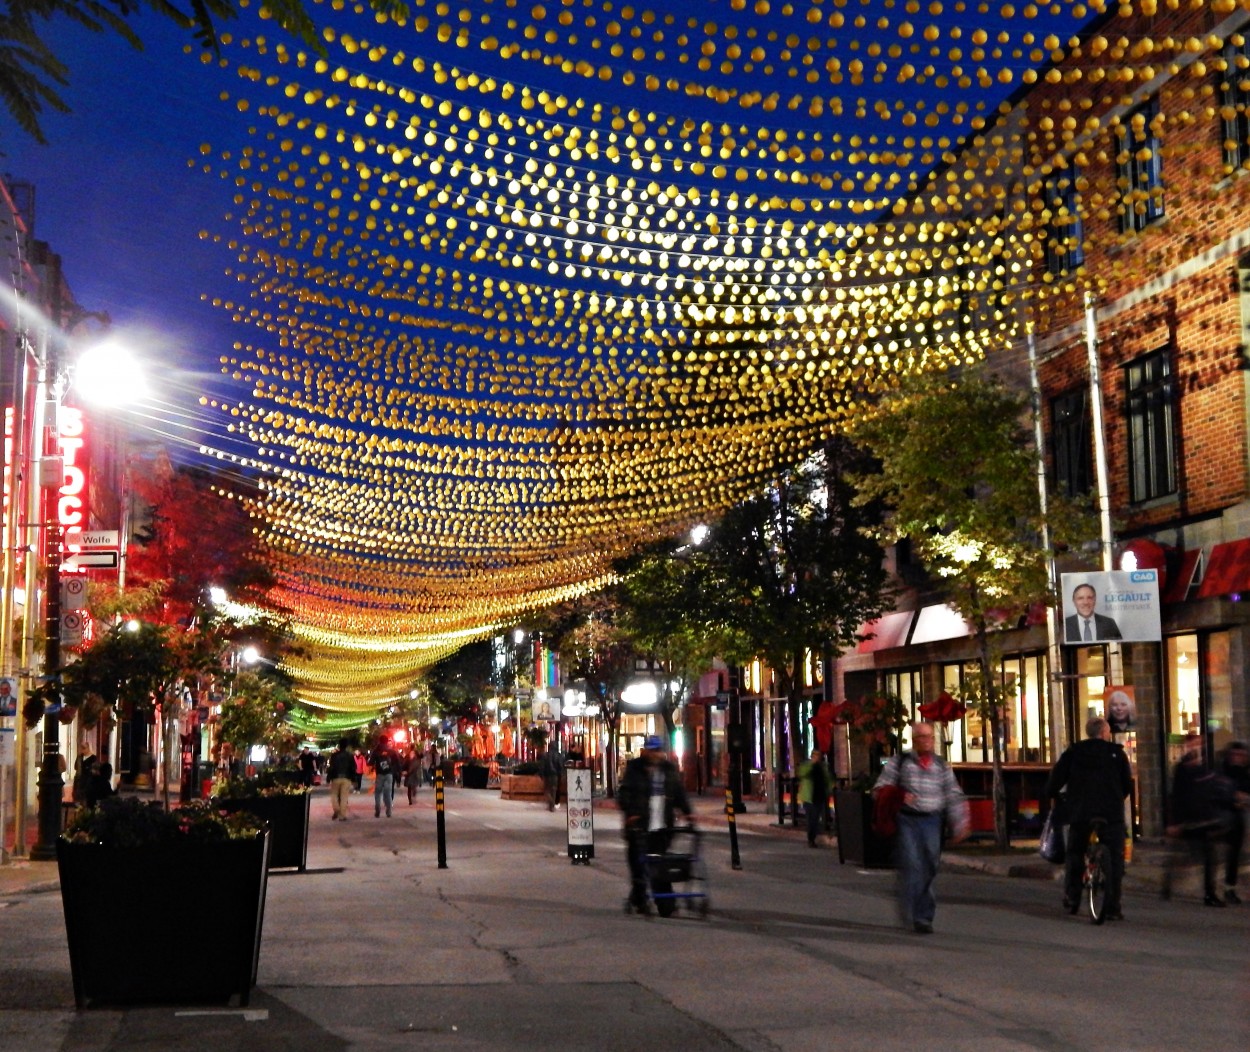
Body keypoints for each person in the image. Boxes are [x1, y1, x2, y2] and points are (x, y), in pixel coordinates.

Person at [873, 721, 969, 934]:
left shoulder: (941, 766)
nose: (926, 741)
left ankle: (919, 908)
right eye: (921, 737)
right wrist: (899, 796)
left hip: (932, 821)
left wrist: (960, 823)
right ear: (914, 741)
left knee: (929, 867)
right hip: (908, 820)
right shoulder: (901, 762)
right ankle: (919, 916)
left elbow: (953, 794)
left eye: (929, 737)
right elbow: (879, 789)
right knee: (913, 864)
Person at [1045, 716, 1133, 919]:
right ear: (1104, 733)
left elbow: (1055, 781)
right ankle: (1112, 906)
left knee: (1075, 853)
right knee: (1116, 859)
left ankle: (1072, 896)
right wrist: (1115, 799)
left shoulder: (1074, 752)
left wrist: (1056, 796)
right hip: (1111, 815)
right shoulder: (1117, 754)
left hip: (1081, 813)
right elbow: (1127, 785)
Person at [617, 734, 694, 915]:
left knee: (658, 865)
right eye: (652, 750)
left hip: (662, 826)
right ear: (645, 751)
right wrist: (630, 813)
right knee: (638, 866)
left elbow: (679, 793)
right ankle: (641, 899)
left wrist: (688, 813)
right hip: (639, 826)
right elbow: (625, 793)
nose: (655, 754)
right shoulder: (635, 768)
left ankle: (664, 904)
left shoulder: (668, 770)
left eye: (658, 750)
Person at [1164, 733, 1233, 907]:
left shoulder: (1205, 766)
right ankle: (1168, 885)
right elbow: (1177, 795)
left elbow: (1210, 789)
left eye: (1198, 744)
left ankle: (1209, 894)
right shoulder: (1183, 767)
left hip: (1204, 819)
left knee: (1209, 857)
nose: (1196, 747)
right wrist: (1174, 822)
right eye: (1193, 744)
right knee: (1182, 855)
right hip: (1188, 820)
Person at [1219, 741, 1249, 903]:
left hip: (1239, 818)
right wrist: (1233, 799)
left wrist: (1244, 798)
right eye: (1236, 755)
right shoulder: (1224, 771)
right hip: (1225, 817)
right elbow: (1219, 793)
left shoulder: (1244, 772)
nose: (1239, 758)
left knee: (1235, 856)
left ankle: (1230, 887)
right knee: (1227, 855)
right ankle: (1224, 888)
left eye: (1242, 756)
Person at [797, 748, 832, 847]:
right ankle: (811, 838)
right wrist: (812, 764)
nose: (817, 757)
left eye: (819, 755)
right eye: (815, 755)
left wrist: (829, 790)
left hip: (819, 795)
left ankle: (813, 836)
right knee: (810, 818)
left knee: (816, 818)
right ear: (812, 756)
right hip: (809, 796)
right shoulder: (807, 766)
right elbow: (802, 774)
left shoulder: (823, 767)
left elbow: (827, 779)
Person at [327, 738, 357, 820]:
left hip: (335, 777)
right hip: (346, 778)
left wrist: (328, 777)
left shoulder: (334, 755)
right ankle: (342, 815)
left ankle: (336, 809)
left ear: (339, 745)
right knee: (344, 797)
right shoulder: (350, 755)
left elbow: (331, 767)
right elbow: (353, 768)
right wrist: (354, 779)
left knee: (334, 795)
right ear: (347, 746)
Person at [370, 738, 399, 818]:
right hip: (389, 774)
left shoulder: (376, 751)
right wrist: (397, 773)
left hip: (379, 774)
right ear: (387, 742)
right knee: (388, 793)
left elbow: (370, 762)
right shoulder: (392, 751)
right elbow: (397, 763)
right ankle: (389, 811)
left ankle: (377, 809)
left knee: (377, 793)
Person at [541, 744, 564, 811]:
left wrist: (542, 774)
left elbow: (542, 766)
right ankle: (552, 806)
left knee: (546, 790)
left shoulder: (545, 755)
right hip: (555, 775)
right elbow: (561, 766)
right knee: (554, 790)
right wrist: (561, 774)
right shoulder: (559, 755)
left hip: (547, 775)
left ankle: (551, 804)